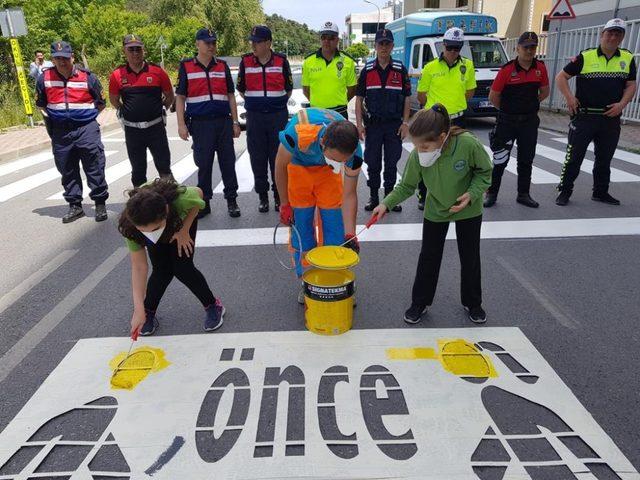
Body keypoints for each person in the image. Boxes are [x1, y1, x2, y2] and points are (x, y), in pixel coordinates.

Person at [373, 104, 492, 324]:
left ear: (443, 137)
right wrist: (386, 204)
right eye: (417, 147)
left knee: (470, 257)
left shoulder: (467, 144)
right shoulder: (419, 155)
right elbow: (406, 186)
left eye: (426, 147)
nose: (421, 152)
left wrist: (472, 194)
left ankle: (473, 302)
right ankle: (420, 302)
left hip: (468, 208)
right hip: (436, 208)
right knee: (429, 256)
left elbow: (485, 172)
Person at [274, 108, 362, 303]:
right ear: (322, 143)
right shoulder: (296, 133)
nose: (340, 163)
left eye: (343, 161)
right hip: (299, 169)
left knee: (335, 226)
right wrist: (285, 204)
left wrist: (350, 234)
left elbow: (349, 195)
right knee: (302, 227)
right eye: (335, 158)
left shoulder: (355, 151)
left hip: (327, 175)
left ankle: (337, 281)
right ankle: (308, 281)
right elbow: (280, 167)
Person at [118, 179, 225, 336]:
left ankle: (213, 306)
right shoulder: (131, 224)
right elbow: (139, 267)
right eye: (143, 231)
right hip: (154, 220)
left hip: (179, 224)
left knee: (183, 268)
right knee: (162, 270)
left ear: (166, 211)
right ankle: (147, 311)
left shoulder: (180, 200)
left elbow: (199, 194)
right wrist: (138, 309)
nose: (150, 235)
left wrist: (184, 230)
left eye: (154, 229)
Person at [555, 18, 637, 206]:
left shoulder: (627, 58)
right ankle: (565, 191)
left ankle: (600, 192)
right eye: (610, 33)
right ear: (602, 34)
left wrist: (622, 105)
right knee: (574, 157)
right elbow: (561, 77)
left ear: (622, 37)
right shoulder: (586, 56)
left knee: (604, 159)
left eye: (618, 34)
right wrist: (569, 97)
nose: (613, 37)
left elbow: (631, 85)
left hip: (610, 118)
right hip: (585, 116)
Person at [35, 41, 109, 223]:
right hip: (60, 131)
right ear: (52, 59)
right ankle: (75, 205)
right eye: (57, 58)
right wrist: (52, 123)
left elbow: (101, 102)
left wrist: (88, 118)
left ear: (72, 58)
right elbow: (41, 104)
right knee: (66, 168)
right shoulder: (44, 79)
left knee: (94, 164)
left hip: (86, 128)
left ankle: (99, 203)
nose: (62, 62)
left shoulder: (87, 77)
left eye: (65, 58)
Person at [175, 28, 242, 218]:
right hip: (200, 124)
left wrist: (235, 122)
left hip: (222, 122)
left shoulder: (222, 66)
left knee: (228, 162)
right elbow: (180, 97)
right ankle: (204, 203)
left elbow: (230, 96)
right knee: (204, 164)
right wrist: (181, 124)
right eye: (207, 43)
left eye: (214, 42)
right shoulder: (186, 66)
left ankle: (232, 200)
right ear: (198, 44)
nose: (212, 46)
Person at [484, 31, 549, 209]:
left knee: (526, 159)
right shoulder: (507, 70)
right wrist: (508, 110)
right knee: (500, 159)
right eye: (525, 47)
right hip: (507, 122)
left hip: (529, 122)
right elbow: (493, 96)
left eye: (532, 47)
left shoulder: (540, 68)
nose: (529, 51)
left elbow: (544, 92)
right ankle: (492, 193)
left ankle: (523, 194)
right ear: (517, 48)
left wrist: (528, 106)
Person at [415, 27, 476, 210]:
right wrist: (436, 110)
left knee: (458, 158)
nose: (452, 52)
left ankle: (455, 193)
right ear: (443, 45)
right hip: (435, 120)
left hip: (458, 120)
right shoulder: (430, 67)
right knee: (428, 157)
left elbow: (470, 92)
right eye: (449, 48)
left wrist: (454, 104)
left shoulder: (468, 66)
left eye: (456, 48)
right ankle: (423, 194)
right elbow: (421, 96)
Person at [237, 25, 293, 213]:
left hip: (277, 117)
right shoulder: (245, 62)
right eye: (252, 41)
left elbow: (289, 88)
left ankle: (278, 195)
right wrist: (257, 103)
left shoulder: (281, 61)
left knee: (278, 157)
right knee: (258, 158)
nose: (253, 45)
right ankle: (263, 196)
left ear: (268, 43)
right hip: (255, 118)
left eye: (258, 41)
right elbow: (241, 88)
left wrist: (274, 103)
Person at [355, 28, 411, 212]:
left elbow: (407, 98)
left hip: (394, 125)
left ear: (392, 46)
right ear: (376, 46)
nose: (384, 47)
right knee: (373, 162)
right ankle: (373, 198)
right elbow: (359, 100)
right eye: (381, 44)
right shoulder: (367, 71)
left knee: (392, 162)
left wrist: (405, 123)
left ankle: (389, 198)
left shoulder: (400, 70)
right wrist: (359, 125)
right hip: (373, 126)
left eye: (387, 44)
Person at [109, 34, 175, 187]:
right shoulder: (117, 75)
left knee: (164, 168)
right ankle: (140, 207)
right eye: (131, 50)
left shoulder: (157, 71)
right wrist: (127, 110)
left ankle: (170, 205)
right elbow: (114, 100)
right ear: (124, 51)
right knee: (138, 171)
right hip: (133, 131)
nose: (135, 53)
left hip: (156, 128)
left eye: (138, 49)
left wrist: (160, 108)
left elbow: (169, 95)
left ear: (143, 50)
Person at [301, 21, 357, 119]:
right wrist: (320, 105)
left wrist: (340, 103)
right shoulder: (308, 61)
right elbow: (306, 90)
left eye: (331, 38)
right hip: (316, 113)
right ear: (320, 39)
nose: (327, 41)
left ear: (337, 40)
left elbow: (352, 89)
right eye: (324, 37)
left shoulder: (348, 61)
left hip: (340, 112)